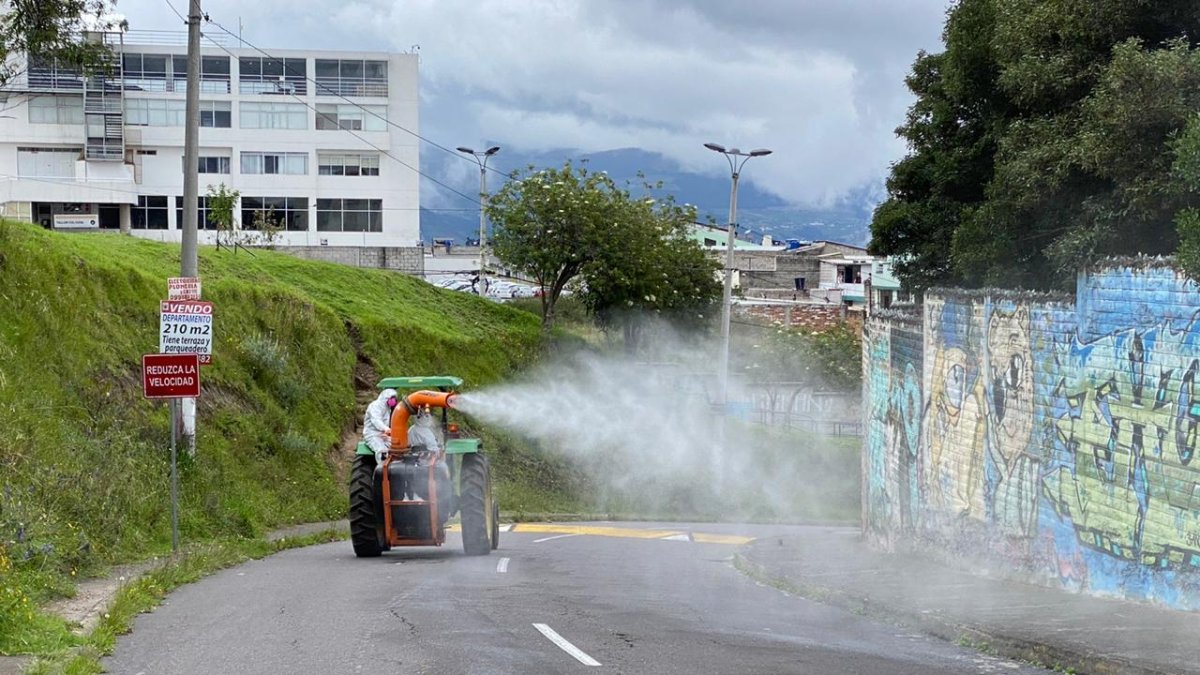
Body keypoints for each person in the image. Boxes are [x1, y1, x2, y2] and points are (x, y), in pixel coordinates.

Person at [364, 388, 399, 465]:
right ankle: (383, 471)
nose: (393, 401)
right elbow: (376, 420)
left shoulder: (387, 409)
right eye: (392, 399)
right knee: (382, 450)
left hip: (383, 435)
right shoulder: (375, 406)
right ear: (386, 397)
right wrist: (386, 429)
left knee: (397, 447)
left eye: (394, 399)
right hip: (372, 434)